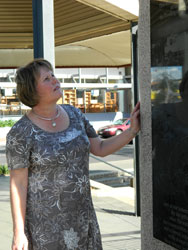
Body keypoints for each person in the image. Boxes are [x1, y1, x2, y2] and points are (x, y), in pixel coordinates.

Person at [6, 59, 140, 250]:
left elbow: (100, 148)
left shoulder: (75, 114)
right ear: (32, 90)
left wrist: (132, 131)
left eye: (53, 75)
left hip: (82, 218)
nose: (55, 80)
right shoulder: (20, 133)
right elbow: (18, 184)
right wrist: (18, 232)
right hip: (44, 228)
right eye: (46, 78)